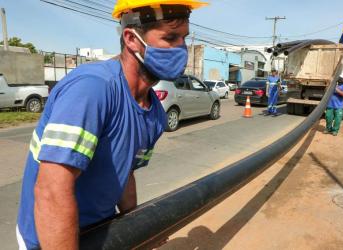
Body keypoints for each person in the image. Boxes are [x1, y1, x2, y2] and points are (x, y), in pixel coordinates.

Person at [16, 0, 208, 249]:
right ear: (131, 38)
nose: (181, 49)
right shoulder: (92, 88)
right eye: (170, 38)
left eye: (183, 38)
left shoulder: (155, 115)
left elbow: (124, 173)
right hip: (49, 238)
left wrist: (140, 228)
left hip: (103, 233)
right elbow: (51, 190)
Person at [324, 72, 343, 136]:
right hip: (330, 105)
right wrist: (329, 85)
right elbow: (326, 91)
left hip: (339, 106)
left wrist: (335, 88)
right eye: (340, 77)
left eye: (341, 78)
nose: (340, 79)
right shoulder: (334, 84)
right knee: (328, 117)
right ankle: (328, 129)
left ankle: (335, 130)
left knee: (338, 119)